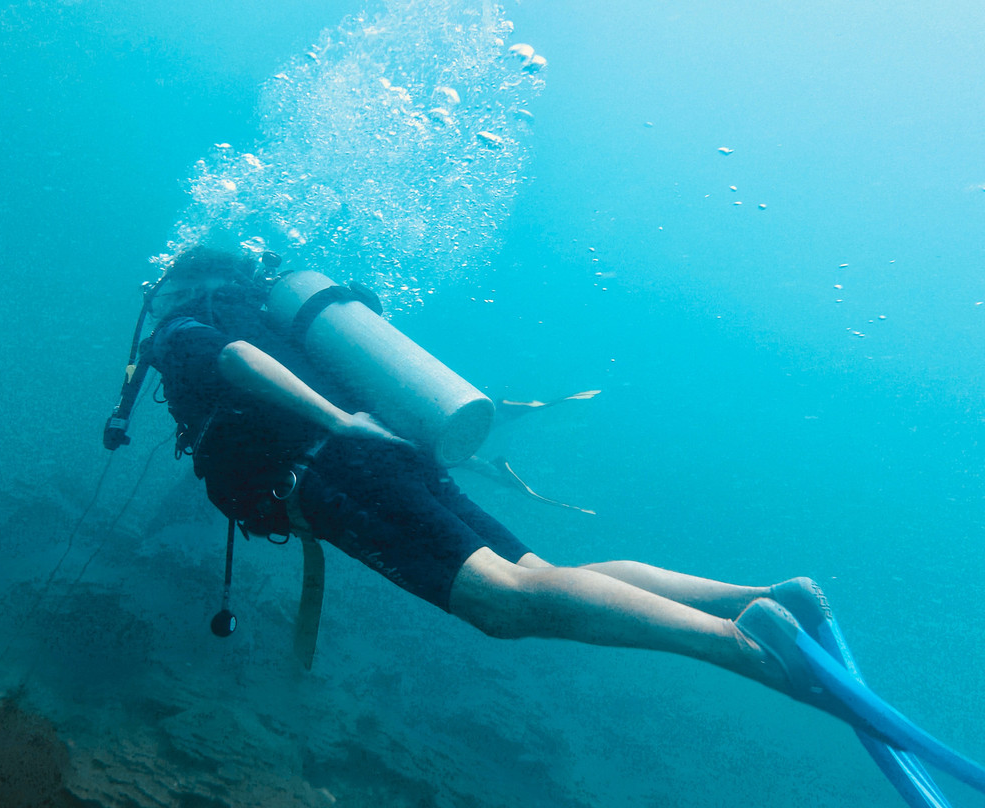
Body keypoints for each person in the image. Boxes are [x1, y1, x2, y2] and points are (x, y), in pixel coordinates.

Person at [118, 246, 985, 805]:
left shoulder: (192, 325)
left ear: (180, 285)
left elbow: (232, 363)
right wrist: (349, 423)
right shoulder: (270, 312)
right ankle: (761, 596)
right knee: (536, 568)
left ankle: (740, 640)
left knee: (506, 602)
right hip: (390, 454)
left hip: (331, 471)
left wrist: (334, 426)